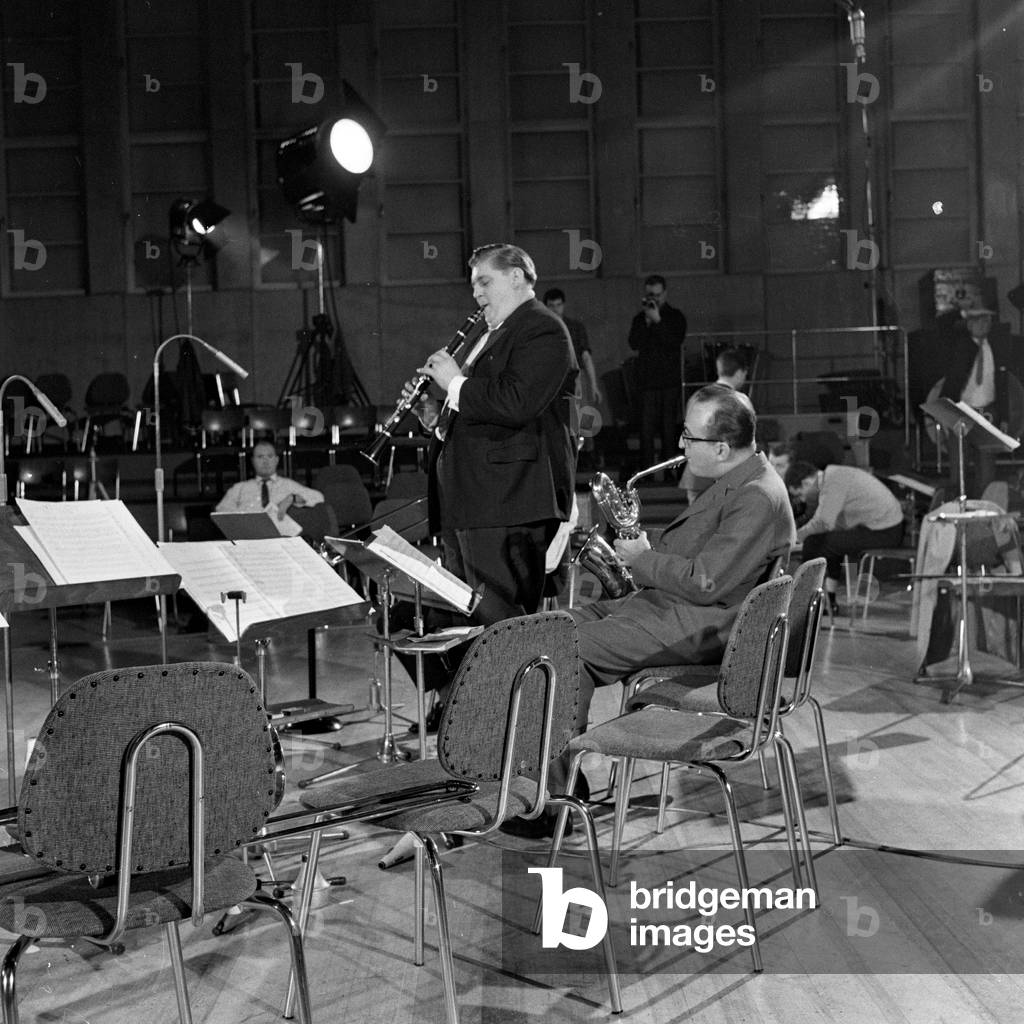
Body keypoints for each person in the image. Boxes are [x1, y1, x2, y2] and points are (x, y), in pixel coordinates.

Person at [506, 385, 795, 837]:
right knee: (547, 629)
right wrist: (642, 547)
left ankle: (553, 798)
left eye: (688, 436)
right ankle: (551, 779)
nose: (680, 445)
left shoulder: (756, 494)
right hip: (671, 607)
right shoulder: (740, 479)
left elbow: (705, 582)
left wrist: (641, 556)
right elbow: (703, 558)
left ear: (721, 448)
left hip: (701, 626)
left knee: (567, 649)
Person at [411, 242, 579, 627]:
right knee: (470, 626)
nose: (476, 293)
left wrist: (454, 381)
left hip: (508, 504)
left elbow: (517, 401)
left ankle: (510, 688)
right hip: (475, 504)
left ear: (516, 276)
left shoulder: (542, 328)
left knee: (502, 625)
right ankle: (479, 689)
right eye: (474, 285)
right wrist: (437, 418)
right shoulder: (493, 333)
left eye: (484, 281)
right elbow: (482, 407)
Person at [785, 461, 904, 615]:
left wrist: (796, 538)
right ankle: (829, 602)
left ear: (807, 483)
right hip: (881, 527)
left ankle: (806, 604)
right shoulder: (833, 475)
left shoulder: (833, 482)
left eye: (800, 494)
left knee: (815, 543)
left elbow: (824, 522)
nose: (802, 500)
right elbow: (831, 524)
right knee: (825, 540)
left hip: (887, 532)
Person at [937, 305, 1012, 498]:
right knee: (958, 470)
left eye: (987, 321)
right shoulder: (958, 345)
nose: (983, 325)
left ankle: (983, 512)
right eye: (978, 320)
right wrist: (964, 312)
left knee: (987, 472)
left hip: (987, 413)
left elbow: (1002, 386)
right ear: (969, 324)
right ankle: (957, 508)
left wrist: (1004, 417)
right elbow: (943, 324)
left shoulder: (996, 347)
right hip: (961, 412)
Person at [628, 274, 688, 478]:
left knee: (668, 430)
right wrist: (647, 321)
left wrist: (659, 321)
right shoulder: (640, 318)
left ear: (665, 293)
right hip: (646, 383)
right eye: (649, 295)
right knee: (646, 430)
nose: (653, 298)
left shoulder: (675, 316)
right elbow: (634, 343)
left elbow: (674, 341)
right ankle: (646, 475)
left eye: (657, 294)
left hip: (669, 382)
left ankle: (670, 475)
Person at [544, 287, 602, 467]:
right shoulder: (543, 327)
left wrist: (593, 385)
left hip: (575, 378)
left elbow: (585, 356)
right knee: (564, 422)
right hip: (554, 380)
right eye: (551, 305)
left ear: (564, 305)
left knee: (583, 419)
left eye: (558, 305)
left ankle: (587, 458)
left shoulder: (575, 327)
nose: (555, 309)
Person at [215, 440, 324, 535]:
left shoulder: (288, 485)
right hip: (248, 538)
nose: (265, 461)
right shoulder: (240, 488)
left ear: (277, 460)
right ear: (253, 461)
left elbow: (319, 497)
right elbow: (221, 513)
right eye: (260, 457)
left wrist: (293, 498)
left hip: (280, 537)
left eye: (270, 456)